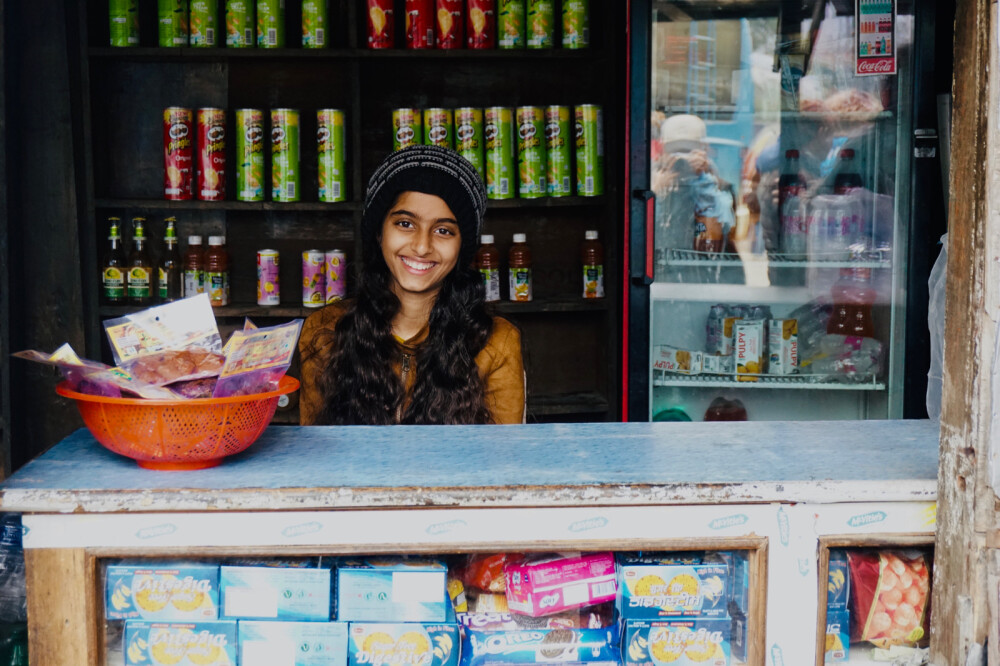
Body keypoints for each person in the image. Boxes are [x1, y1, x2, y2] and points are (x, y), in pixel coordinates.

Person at [299, 145, 525, 425]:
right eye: (405, 223)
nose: (421, 246)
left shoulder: (498, 342)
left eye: (443, 230)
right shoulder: (323, 331)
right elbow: (315, 457)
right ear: (380, 233)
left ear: (462, 247)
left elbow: (501, 462)